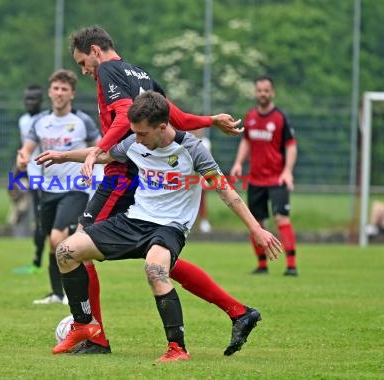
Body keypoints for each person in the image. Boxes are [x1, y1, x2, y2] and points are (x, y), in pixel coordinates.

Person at [39, 25, 247, 354]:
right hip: (138, 165)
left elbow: (123, 117)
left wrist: (96, 150)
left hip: (123, 171)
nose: (84, 71)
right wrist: (210, 120)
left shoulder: (107, 69)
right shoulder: (139, 73)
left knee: (78, 245)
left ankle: (94, 336)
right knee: (161, 262)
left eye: (82, 63)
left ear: (95, 50)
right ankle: (239, 312)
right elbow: (173, 115)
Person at [47, 91, 282, 361]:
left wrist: (256, 229)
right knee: (65, 251)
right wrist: (63, 156)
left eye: (142, 133)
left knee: (155, 270)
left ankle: (177, 349)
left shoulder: (192, 149)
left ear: (162, 127)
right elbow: (102, 155)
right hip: (134, 220)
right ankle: (84, 324)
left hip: (169, 227)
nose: (136, 139)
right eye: (134, 132)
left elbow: (226, 191)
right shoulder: (135, 141)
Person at [17, 69, 100, 304]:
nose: (60, 93)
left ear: (72, 94)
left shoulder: (82, 121)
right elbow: (27, 149)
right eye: (56, 88)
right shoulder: (40, 122)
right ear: (50, 92)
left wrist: (94, 166)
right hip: (48, 189)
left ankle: (74, 294)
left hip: (75, 189)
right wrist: (22, 158)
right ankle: (57, 293)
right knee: (52, 243)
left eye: (65, 89)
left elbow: (100, 148)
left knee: (57, 237)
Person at [230, 75, 299, 276]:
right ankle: (262, 265)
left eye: (266, 90)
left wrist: (287, 171)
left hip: (277, 179)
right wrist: (238, 163)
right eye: (259, 90)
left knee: (281, 219)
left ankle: (292, 265)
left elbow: (291, 145)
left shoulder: (280, 117)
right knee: (257, 223)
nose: (263, 94)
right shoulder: (250, 116)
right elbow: (246, 141)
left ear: (272, 92)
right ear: (255, 92)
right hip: (256, 179)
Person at [12, 85, 47, 274]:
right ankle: (36, 261)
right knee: (39, 221)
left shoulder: (47, 119)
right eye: (27, 99)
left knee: (51, 223)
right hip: (35, 178)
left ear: (41, 101)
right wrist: (14, 178)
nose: (29, 103)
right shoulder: (23, 121)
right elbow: (23, 148)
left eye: (33, 99)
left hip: (52, 178)